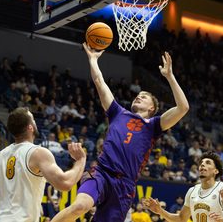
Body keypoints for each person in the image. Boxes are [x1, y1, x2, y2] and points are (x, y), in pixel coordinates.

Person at [52, 43, 189, 222]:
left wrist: (170, 77)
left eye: (144, 97)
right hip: (102, 172)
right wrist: (93, 60)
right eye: (138, 95)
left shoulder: (154, 125)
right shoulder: (118, 112)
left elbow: (183, 107)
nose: (138, 96)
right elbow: (99, 82)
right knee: (80, 206)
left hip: (124, 186)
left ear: (152, 108)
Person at [0, 107, 86, 222]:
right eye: (33, 119)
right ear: (30, 127)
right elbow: (65, 183)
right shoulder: (38, 153)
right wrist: (80, 160)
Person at [143, 152, 223, 222]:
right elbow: (181, 219)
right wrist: (160, 211)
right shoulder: (192, 191)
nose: (202, 164)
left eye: (208, 162)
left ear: (216, 171)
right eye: (201, 163)